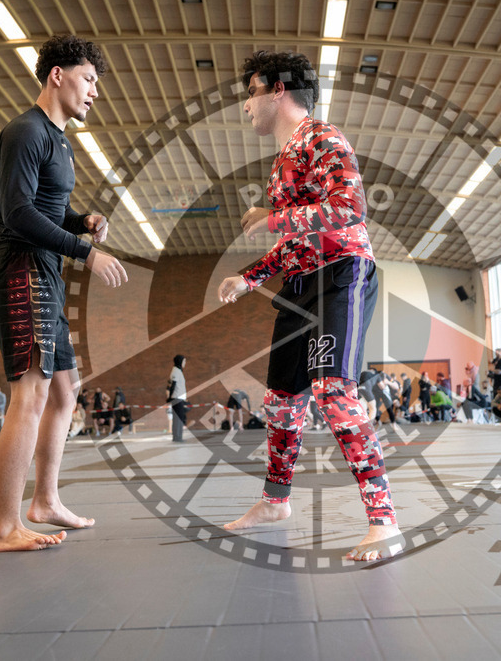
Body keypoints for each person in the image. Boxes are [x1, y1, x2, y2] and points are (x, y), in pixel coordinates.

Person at [216, 50, 400, 560]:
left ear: (278, 90)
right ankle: (275, 501)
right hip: (301, 284)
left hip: (342, 273)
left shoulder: (324, 137)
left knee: (332, 391)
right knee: (281, 400)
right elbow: (297, 241)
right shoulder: (281, 164)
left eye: (251, 91)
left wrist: (272, 218)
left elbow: (349, 208)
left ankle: (383, 519)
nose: (246, 105)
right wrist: (249, 278)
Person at [0, 35, 127, 553]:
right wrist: (87, 252)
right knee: (33, 392)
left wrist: (81, 219)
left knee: (65, 393)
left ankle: (44, 501)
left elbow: (45, 208)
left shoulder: (59, 140)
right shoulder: (26, 132)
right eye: (89, 79)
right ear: (57, 76)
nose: (95, 92)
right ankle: (4, 526)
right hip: (22, 270)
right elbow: (19, 214)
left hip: (43, 273)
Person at [167, 355, 188, 442]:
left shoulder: (178, 371)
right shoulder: (175, 371)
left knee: (179, 417)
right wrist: (170, 397)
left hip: (180, 398)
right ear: (180, 361)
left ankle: (178, 436)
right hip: (177, 398)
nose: (185, 363)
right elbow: (173, 385)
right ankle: (177, 437)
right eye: (184, 361)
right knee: (177, 418)